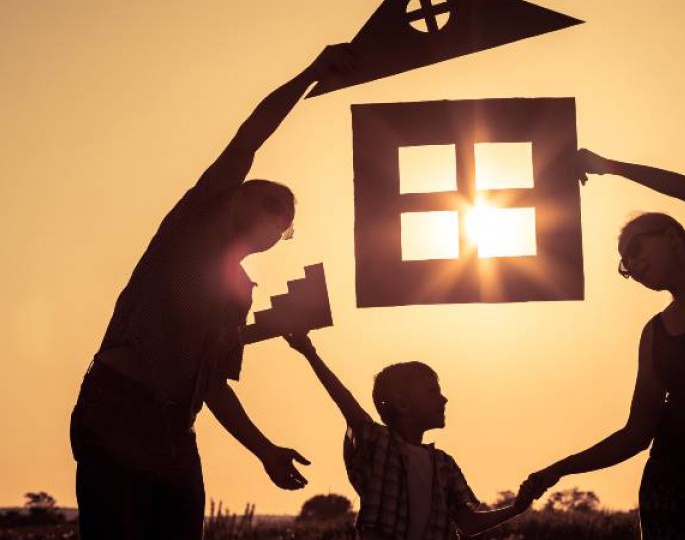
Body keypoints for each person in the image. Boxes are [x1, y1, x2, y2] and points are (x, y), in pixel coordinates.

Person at [68, 44, 357, 540]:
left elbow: (214, 386)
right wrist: (311, 73)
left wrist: (264, 449)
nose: (279, 220)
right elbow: (250, 137)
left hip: (176, 432)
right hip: (117, 408)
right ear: (238, 197)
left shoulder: (238, 294)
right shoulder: (192, 225)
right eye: (273, 205)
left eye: (287, 223)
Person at [520, 149, 685, 538]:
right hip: (671, 492)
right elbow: (636, 432)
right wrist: (559, 468)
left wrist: (609, 167)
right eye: (624, 265)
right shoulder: (654, 335)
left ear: (672, 239)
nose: (631, 265)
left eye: (634, 250)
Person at [283, 333, 532, 540]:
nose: (443, 399)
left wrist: (517, 508)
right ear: (402, 404)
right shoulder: (377, 443)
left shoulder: (444, 464)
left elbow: (467, 523)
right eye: (432, 391)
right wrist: (310, 353)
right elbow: (344, 400)